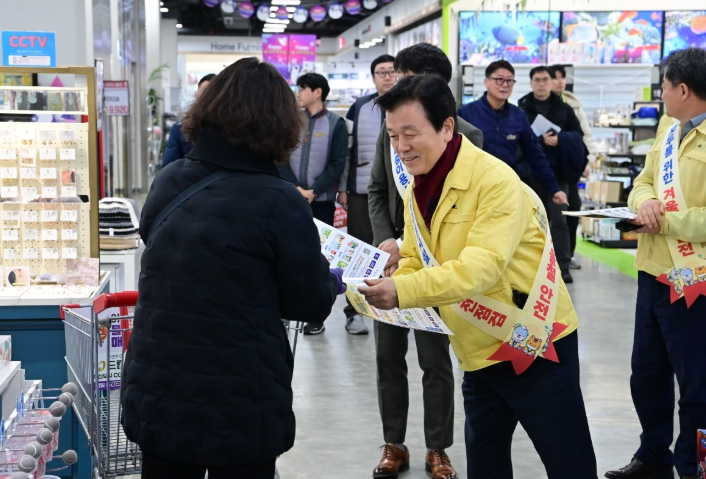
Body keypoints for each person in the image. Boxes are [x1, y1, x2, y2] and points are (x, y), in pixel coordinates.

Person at [361, 73, 597, 479]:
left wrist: (401, 289)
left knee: (568, 462)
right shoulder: (418, 186)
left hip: (533, 341)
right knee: (486, 462)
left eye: (410, 134)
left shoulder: (495, 182)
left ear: (446, 127)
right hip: (477, 349)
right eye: (393, 135)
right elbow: (417, 255)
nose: (401, 146)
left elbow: (481, 268)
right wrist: (380, 282)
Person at [121, 58, 345, 479]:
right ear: (280, 123)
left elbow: (163, 245)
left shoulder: (170, 179)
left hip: (160, 384)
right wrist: (331, 279)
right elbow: (308, 303)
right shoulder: (280, 200)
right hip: (239, 394)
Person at [367, 43, 483, 479]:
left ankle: (438, 447)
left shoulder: (468, 136)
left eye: (405, 76)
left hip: (436, 265)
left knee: (435, 360)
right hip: (390, 263)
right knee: (388, 357)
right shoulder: (392, 128)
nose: (396, 84)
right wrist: (387, 240)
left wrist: (416, 246)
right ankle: (393, 443)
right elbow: (377, 190)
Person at [606, 47, 706, 479]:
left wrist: (665, 221)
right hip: (652, 273)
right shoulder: (669, 129)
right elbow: (643, 182)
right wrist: (645, 203)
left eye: (663, 86)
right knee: (646, 374)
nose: (660, 94)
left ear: (682, 89)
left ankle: (695, 467)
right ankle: (653, 457)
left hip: (695, 281)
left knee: (697, 386)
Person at [279, 72, 348, 335]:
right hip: (291, 200)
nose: (298, 93)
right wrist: (295, 189)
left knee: (319, 256)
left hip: (321, 203)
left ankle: (317, 315)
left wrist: (314, 191)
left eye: (302, 88)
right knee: (289, 253)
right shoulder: (291, 121)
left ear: (317, 92)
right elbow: (280, 158)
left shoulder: (335, 124)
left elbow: (338, 163)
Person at [337, 54, 396, 336]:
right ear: (373, 78)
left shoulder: (409, 104)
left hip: (400, 194)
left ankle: (396, 307)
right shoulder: (359, 107)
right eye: (381, 72)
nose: (387, 76)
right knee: (359, 252)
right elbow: (346, 151)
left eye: (392, 71)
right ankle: (354, 312)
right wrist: (342, 188)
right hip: (362, 191)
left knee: (395, 253)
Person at [456, 61, 566, 209]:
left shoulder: (518, 115)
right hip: (474, 189)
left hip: (507, 189)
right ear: (486, 82)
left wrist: (554, 189)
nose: (505, 85)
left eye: (509, 81)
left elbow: (535, 154)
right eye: (499, 79)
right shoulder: (466, 113)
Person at [518, 66, 587, 284]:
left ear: (551, 82)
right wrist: (539, 141)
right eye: (537, 80)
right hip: (529, 174)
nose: (541, 84)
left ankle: (562, 266)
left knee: (559, 220)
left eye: (545, 80)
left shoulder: (564, 109)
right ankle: (530, 266)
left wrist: (561, 140)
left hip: (558, 174)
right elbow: (519, 140)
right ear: (531, 83)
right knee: (530, 222)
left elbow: (578, 136)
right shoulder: (521, 109)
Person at [551, 64, 598, 270]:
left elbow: (585, 136)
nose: (560, 81)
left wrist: (587, 161)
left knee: (573, 208)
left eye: (562, 77)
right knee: (554, 215)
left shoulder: (573, 105)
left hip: (570, 167)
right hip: (548, 167)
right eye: (555, 77)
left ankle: (567, 255)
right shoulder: (535, 105)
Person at [162, 73, 215, 167]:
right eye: (205, 92)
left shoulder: (232, 129)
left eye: (214, 92)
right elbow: (168, 165)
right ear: (196, 95)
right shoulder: (181, 129)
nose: (209, 97)